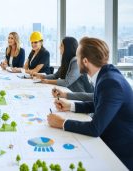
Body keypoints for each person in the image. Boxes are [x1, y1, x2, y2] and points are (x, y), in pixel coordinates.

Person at [47, 37, 133, 170]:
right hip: (109, 141)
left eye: (77, 56)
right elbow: (99, 104)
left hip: (119, 153)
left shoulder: (110, 82)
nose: (76, 60)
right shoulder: (107, 74)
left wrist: (62, 123)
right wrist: (70, 105)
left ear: (85, 61)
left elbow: (95, 128)